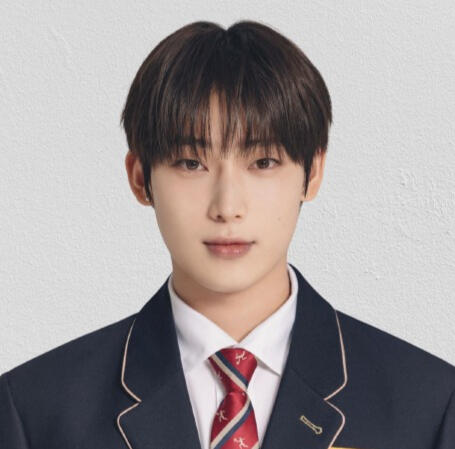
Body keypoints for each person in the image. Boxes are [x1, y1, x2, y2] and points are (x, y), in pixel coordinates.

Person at [1, 19, 454, 449]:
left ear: (312, 173)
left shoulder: (430, 405)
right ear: (140, 177)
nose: (227, 207)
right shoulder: (36, 411)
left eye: (263, 162)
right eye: (191, 163)